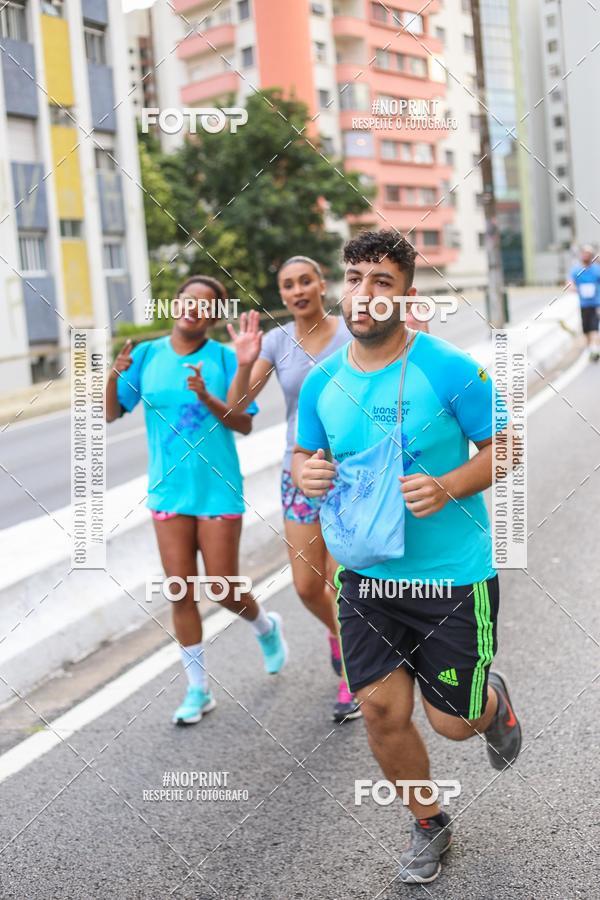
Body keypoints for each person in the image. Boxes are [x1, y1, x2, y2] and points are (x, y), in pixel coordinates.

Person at [292, 230, 522, 884]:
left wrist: (448, 485)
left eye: (381, 282)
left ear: (407, 296)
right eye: (356, 278)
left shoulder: (449, 367)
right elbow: (311, 456)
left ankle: (491, 704)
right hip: (364, 579)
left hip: (451, 578)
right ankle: (428, 823)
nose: (364, 294)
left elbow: (507, 447)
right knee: (380, 710)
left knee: (452, 724)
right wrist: (310, 474)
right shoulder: (323, 382)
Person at [106, 274, 288, 726]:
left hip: (217, 488)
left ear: (214, 316)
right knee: (180, 590)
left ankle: (265, 625)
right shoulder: (146, 355)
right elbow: (111, 413)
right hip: (167, 491)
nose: (194, 308)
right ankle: (197, 689)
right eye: (188, 299)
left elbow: (242, 423)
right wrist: (113, 375)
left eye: (205, 304)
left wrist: (207, 395)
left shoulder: (226, 358)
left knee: (223, 587)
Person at [226, 256, 360, 723]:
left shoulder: (351, 331)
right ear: (281, 295)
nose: (299, 290)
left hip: (352, 474)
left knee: (345, 583)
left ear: (322, 284)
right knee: (306, 586)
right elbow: (238, 407)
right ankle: (341, 637)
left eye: (306, 280)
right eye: (288, 285)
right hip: (298, 471)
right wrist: (244, 364)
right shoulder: (277, 341)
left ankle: (353, 675)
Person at [568, 245, 600, 361]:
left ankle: (594, 348)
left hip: (596, 303)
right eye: (584, 253)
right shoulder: (576, 270)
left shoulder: (597, 269)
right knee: (586, 329)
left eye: (588, 254)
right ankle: (591, 348)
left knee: (595, 327)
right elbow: (570, 281)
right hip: (583, 304)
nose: (586, 256)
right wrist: (572, 287)